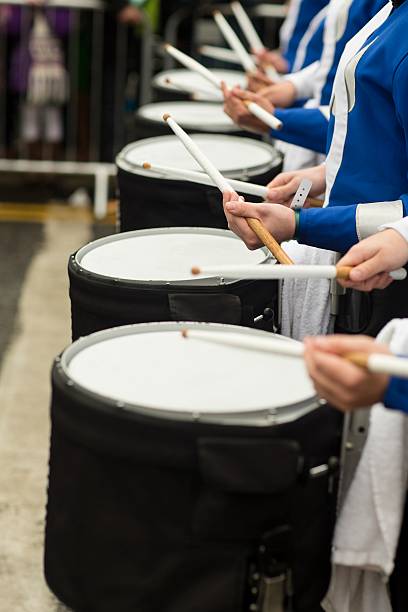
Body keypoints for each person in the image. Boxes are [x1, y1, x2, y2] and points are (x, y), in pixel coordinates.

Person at [223, 0, 408, 339]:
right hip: (356, 256)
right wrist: (327, 173)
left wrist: (299, 224)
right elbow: (376, 128)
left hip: (384, 282)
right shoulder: (392, 12)